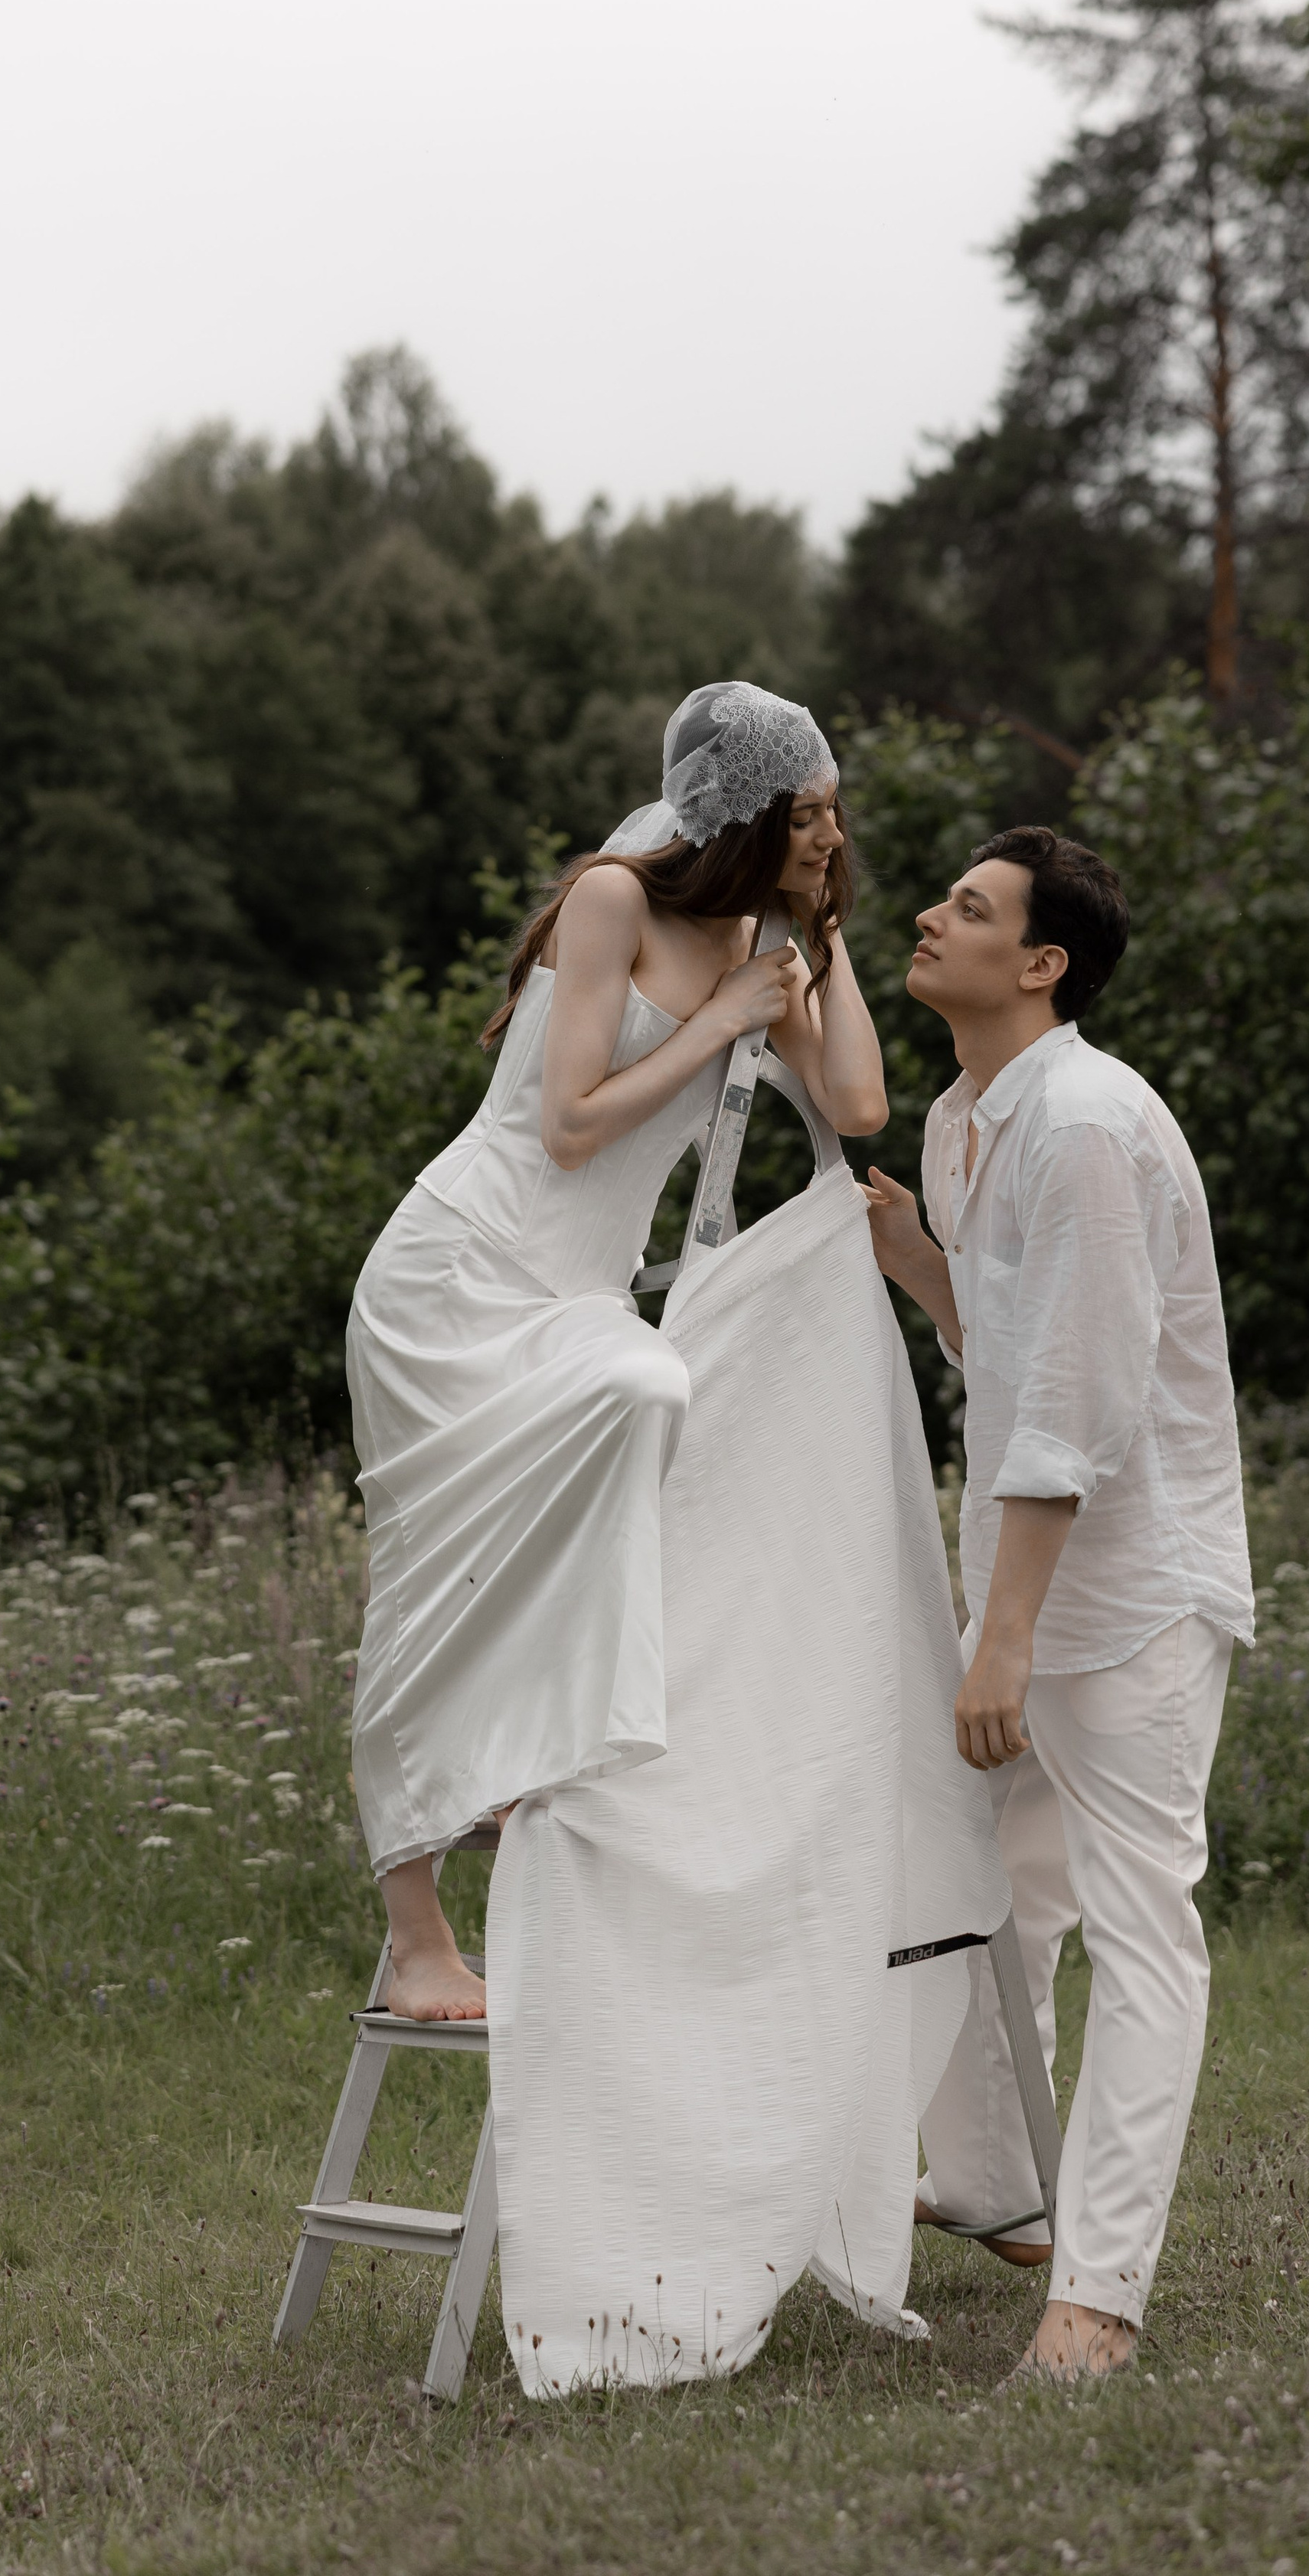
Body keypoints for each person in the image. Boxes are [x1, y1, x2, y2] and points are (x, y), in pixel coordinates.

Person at [347, 682, 887, 2021]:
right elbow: (573, 1123)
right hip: (460, 1268)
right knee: (432, 1566)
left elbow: (862, 1104)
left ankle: (518, 1767)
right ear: (744, 814)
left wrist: (823, 941)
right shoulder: (613, 900)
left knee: (647, 1397)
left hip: (579, 1289)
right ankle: (420, 1942)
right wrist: (720, 1020)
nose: (830, 833)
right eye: (808, 816)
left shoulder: (771, 932)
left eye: (831, 815)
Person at [862, 825, 1253, 2382]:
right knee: (993, 1893)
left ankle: (1097, 2295)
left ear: (1041, 964)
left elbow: (1078, 1404)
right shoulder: (968, 1116)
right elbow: (1012, 1352)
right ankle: (990, 2190)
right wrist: (923, 1268)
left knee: (1139, 1926)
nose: (927, 915)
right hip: (1021, 1582)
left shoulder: (1084, 1121)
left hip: (1129, 1592)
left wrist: (1003, 1633)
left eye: (967, 908)